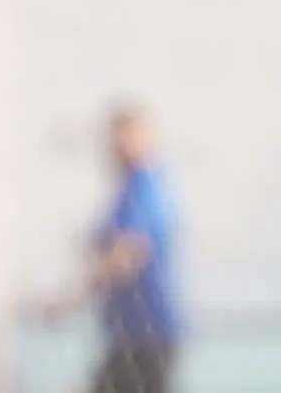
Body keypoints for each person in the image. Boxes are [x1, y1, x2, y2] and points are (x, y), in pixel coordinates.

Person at [43, 104, 181, 393]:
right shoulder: (128, 187)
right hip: (128, 333)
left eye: (125, 136)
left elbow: (129, 252)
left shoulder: (144, 185)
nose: (115, 146)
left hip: (147, 334)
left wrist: (72, 298)